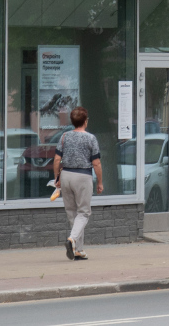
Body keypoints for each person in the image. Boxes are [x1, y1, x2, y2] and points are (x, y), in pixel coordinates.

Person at [53, 106, 102, 261]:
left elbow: (56, 160)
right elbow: (96, 163)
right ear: (85, 121)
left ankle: (78, 250)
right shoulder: (91, 138)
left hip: (66, 175)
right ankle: (72, 239)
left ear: (73, 121)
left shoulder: (64, 136)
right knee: (84, 213)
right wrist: (100, 182)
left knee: (72, 213)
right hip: (83, 176)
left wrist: (57, 179)